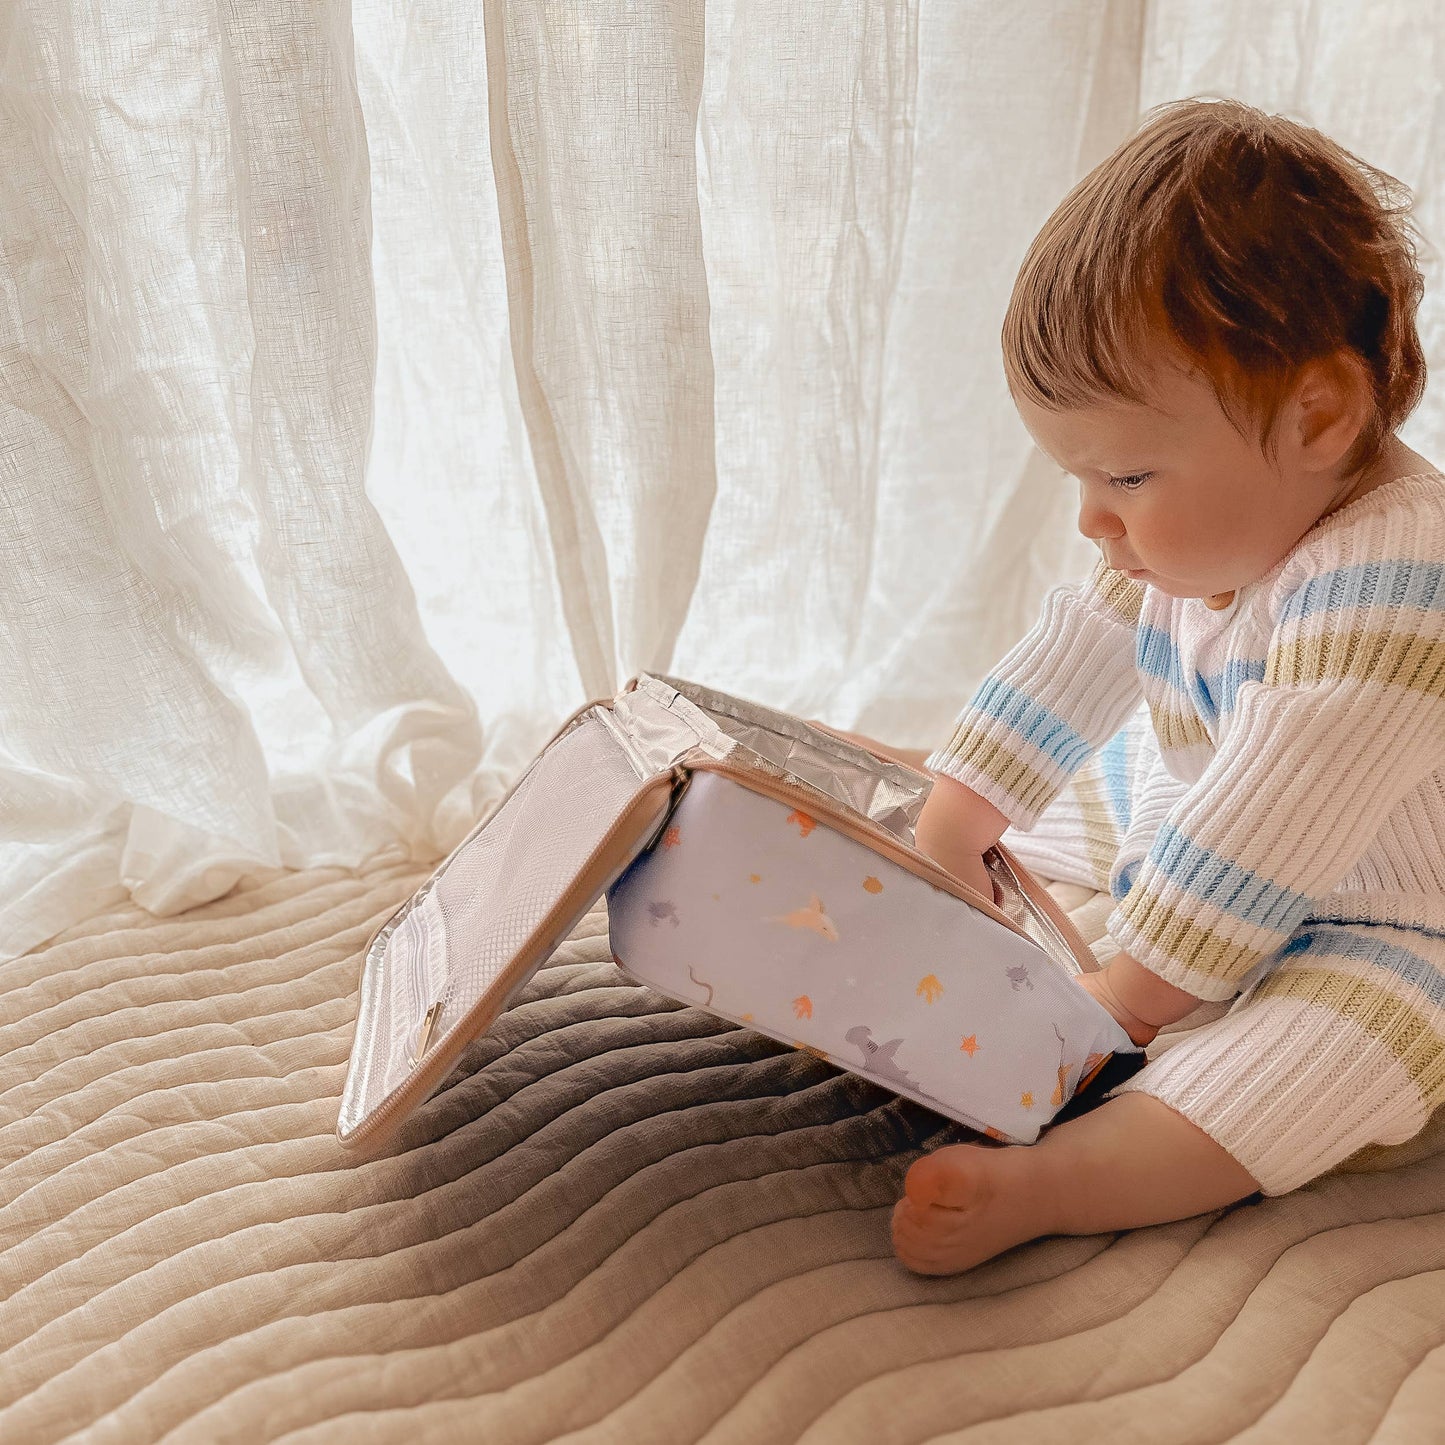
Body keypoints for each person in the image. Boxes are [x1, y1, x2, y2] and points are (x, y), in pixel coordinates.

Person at [842, 95, 1445, 1276]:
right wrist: (960, 808)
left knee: (1326, 1057)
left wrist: (1124, 998)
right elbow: (1075, 650)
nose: (1091, 518)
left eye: (1122, 471)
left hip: (1392, 912)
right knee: (1057, 820)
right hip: (1202, 808)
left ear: (1317, 413)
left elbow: (1273, 811)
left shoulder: (1397, 577)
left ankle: (1063, 1182)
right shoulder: (1210, 524)